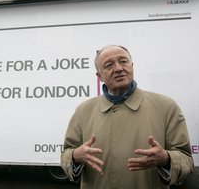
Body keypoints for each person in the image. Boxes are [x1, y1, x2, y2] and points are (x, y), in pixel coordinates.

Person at [60, 45, 194, 189]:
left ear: (132, 66)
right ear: (99, 76)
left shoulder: (166, 106)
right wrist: (74, 156)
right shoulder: (83, 110)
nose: (118, 68)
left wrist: (166, 159)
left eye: (123, 61)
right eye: (109, 65)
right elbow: (66, 155)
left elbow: (186, 160)